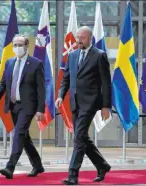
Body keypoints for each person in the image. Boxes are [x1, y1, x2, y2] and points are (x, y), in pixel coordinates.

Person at [55, 26, 111, 185]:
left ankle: (73, 175)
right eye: (77, 37)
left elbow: (106, 83)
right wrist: (60, 95)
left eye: (82, 38)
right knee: (82, 137)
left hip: (91, 103)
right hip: (75, 102)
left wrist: (106, 106)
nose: (78, 40)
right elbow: (66, 78)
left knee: (79, 137)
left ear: (90, 38)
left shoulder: (100, 56)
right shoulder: (72, 56)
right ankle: (102, 165)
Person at [0, 34, 45, 179]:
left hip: (28, 106)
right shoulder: (9, 63)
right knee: (24, 137)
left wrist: (40, 109)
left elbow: (41, 89)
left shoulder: (36, 63)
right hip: (13, 105)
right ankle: (38, 165)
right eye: (15, 45)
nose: (17, 48)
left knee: (19, 133)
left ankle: (10, 167)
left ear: (27, 46)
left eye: (20, 45)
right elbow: (2, 84)